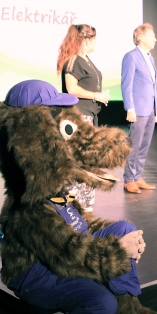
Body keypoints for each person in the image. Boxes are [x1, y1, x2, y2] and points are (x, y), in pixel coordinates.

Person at [56, 24, 109, 211]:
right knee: (78, 161)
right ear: (86, 40)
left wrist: (99, 96)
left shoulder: (86, 60)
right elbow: (71, 89)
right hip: (79, 118)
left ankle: (86, 205)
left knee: (87, 161)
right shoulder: (74, 61)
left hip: (89, 117)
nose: (96, 42)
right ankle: (73, 206)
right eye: (94, 38)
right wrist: (96, 96)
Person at [121, 23, 157, 194]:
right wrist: (130, 108)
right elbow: (127, 84)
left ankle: (137, 176)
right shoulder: (131, 57)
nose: (155, 39)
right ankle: (129, 179)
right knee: (135, 145)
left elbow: (153, 85)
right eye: (152, 36)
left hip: (150, 108)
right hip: (138, 109)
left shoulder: (150, 58)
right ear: (141, 37)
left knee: (145, 145)